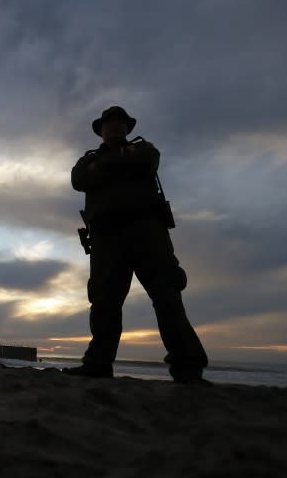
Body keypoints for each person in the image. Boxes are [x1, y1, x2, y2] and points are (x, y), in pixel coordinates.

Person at [63, 106, 209, 384]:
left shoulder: (144, 150)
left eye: (120, 123)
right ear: (101, 129)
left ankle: (188, 367)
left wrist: (106, 167)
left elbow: (145, 164)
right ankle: (98, 364)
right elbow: (78, 179)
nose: (115, 127)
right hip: (106, 239)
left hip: (148, 234)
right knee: (104, 301)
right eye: (109, 123)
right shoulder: (88, 160)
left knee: (167, 295)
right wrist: (117, 165)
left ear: (127, 128)